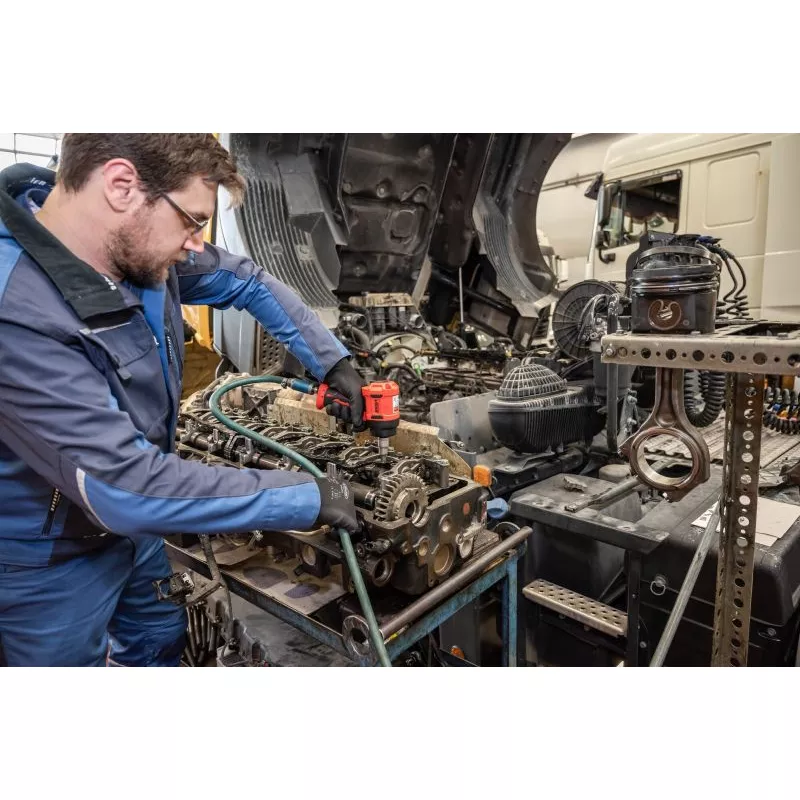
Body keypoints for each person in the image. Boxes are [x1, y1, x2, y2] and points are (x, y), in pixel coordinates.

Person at [0, 134, 366, 667]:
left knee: (159, 634)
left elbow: (243, 278)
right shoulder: (17, 310)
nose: (196, 243)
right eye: (192, 221)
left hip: (137, 529)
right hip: (48, 558)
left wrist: (330, 360)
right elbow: (125, 487)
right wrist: (305, 497)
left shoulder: (132, 252)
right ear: (121, 186)